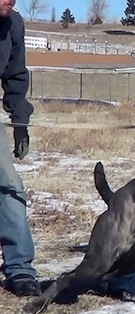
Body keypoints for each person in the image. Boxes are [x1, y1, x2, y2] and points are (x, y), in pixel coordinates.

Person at [0, 0, 40, 297]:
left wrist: (20, 122)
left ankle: (20, 268)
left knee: (9, 185)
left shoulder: (13, 23)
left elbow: (15, 76)